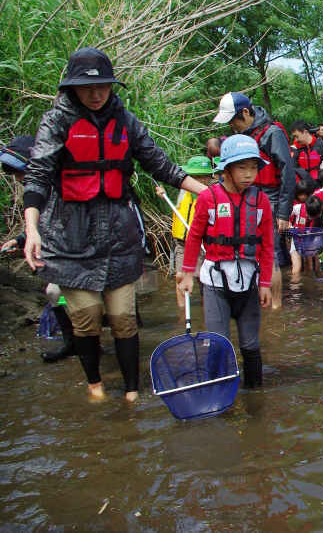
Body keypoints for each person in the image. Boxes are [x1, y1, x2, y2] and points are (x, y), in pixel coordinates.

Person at [22, 47, 207, 401]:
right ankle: (95, 385)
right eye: (87, 88)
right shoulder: (57, 121)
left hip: (119, 232)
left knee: (123, 316)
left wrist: (211, 196)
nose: (96, 94)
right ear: (71, 88)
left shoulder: (126, 121)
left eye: (103, 87)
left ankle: (133, 393)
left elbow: (162, 166)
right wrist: (32, 228)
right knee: (87, 315)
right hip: (70, 236)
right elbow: (38, 177)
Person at [179, 135, 274, 389]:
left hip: (249, 283)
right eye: (242, 167)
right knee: (219, 343)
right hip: (215, 283)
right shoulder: (208, 198)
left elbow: (267, 246)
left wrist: (265, 283)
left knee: (250, 344)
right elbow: (193, 237)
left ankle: (255, 398)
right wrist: (188, 274)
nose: (249, 174)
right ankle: (219, 396)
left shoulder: (261, 201)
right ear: (227, 169)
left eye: (254, 167)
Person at [213, 91, 295, 310]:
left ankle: (276, 307)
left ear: (246, 112)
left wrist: (284, 213)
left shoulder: (272, 133)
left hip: (270, 197)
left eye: (232, 120)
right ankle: (256, 301)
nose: (231, 125)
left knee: (273, 251)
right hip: (247, 196)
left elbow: (288, 171)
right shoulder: (246, 135)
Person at [1, 136, 79, 364]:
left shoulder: (58, 183)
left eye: (19, 175)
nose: (18, 181)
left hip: (79, 251)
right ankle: (72, 342)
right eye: (15, 177)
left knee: (64, 295)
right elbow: (43, 222)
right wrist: (20, 240)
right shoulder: (39, 188)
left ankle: (86, 342)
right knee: (56, 294)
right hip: (60, 253)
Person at [156, 156, 214, 308]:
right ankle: (182, 312)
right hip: (183, 241)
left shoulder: (212, 193)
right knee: (180, 275)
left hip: (202, 242)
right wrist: (162, 194)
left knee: (204, 278)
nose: (201, 180)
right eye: (196, 177)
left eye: (204, 176)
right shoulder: (183, 189)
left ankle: (206, 308)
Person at [289, 120, 322, 186]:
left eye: (297, 136)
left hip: (321, 186)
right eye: (294, 137)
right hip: (304, 188)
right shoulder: (295, 149)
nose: (296, 140)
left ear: (306, 132)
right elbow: (295, 168)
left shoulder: (322, 145)